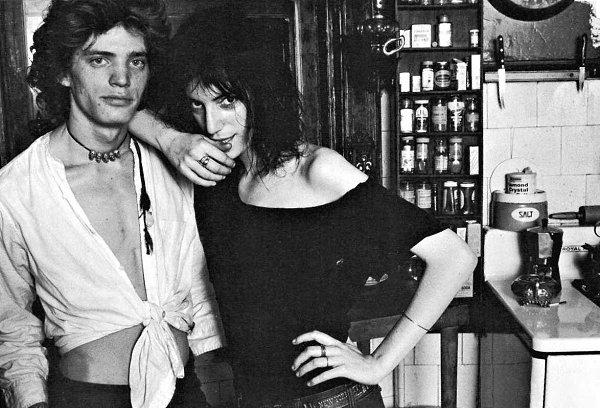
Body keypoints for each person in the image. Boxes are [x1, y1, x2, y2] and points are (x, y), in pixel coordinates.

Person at [129, 7, 477, 408]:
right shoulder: (218, 177)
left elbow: (454, 257)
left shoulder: (317, 169)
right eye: (197, 105)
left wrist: (377, 364)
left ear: (261, 93)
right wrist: (173, 140)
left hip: (333, 401)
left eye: (227, 102)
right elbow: (124, 112)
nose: (211, 125)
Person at [0, 1, 225, 408]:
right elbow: (11, 327)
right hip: (86, 397)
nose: (122, 78)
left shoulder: (176, 164)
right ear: (63, 71)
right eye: (99, 60)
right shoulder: (17, 189)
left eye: (136, 61)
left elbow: (201, 294)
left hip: (185, 389)